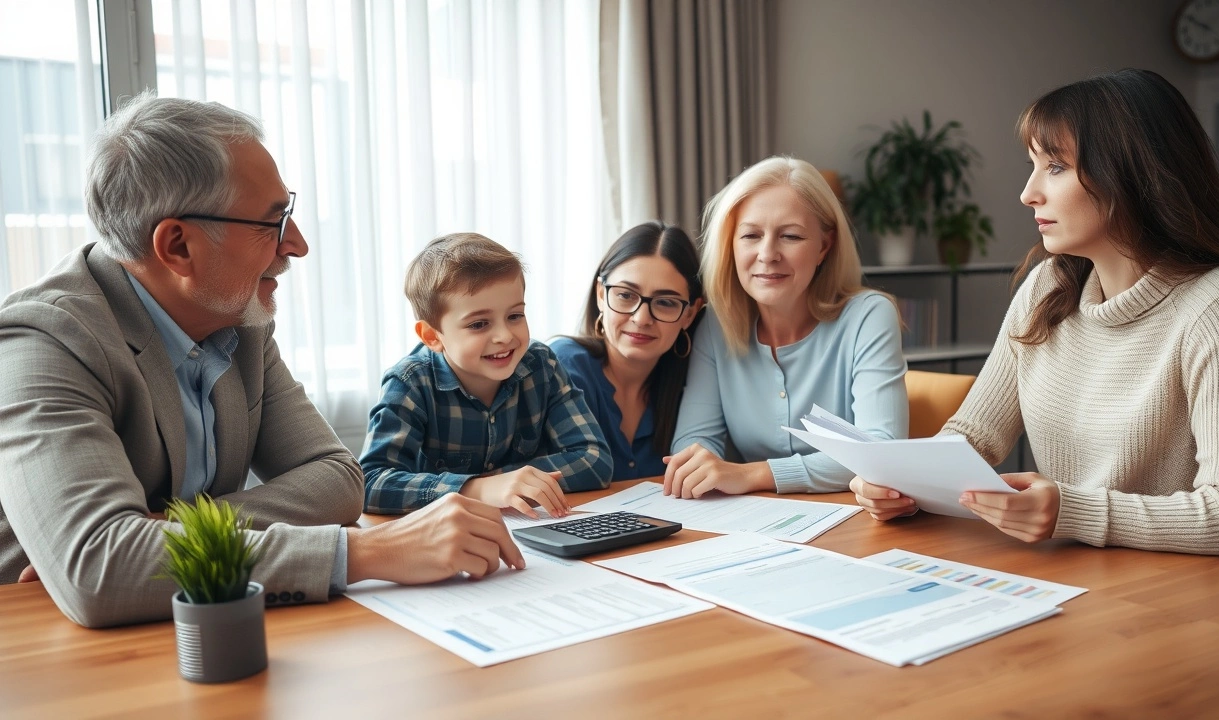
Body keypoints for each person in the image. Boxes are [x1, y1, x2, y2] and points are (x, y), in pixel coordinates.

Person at [0, 92, 524, 629]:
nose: (296, 244)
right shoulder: (41, 341)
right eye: (271, 222)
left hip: (196, 623)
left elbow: (338, 479)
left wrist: (160, 535)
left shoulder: (238, 320)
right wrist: (365, 553)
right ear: (177, 246)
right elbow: (100, 570)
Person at [853, 69, 1219, 556]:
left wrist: (1070, 512)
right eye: (1033, 165)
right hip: (1067, 573)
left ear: (1132, 172)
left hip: (1177, 597)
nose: (1028, 192)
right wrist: (898, 482)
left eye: (1055, 166)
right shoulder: (1049, 286)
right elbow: (972, 436)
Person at [664, 156, 909, 498]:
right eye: (750, 235)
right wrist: (701, 465)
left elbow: (881, 454)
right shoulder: (715, 325)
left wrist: (755, 474)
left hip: (855, 522)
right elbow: (693, 446)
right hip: (755, 526)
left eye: (790, 236)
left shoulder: (869, 316)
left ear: (824, 246)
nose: (767, 254)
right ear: (730, 245)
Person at [360, 233, 613, 519]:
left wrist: (511, 482)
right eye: (479, 324)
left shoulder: (541, 365)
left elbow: (594, 460)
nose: (505, 336)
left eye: (515, 316)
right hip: (445, 540)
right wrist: (478, 488)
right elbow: (369, 483)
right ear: (432, 336)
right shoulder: (410, 382)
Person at [550, 222, 705, 480]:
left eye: (665, 302)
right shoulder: (562, 367)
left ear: (689, 314)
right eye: (625, 295)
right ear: (601, 295)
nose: (641, 318)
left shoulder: (693, 387)